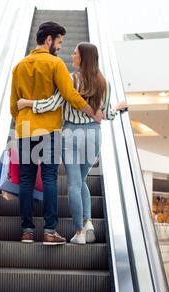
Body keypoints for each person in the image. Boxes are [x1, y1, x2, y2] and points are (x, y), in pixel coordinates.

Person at [17, 42, 128, 244]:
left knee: (74, 184)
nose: (72, 56)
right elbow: (106, 114)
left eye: (75, 54)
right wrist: (119, 107)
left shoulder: (70, 80)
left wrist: (28, 103)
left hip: (71, 134)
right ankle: (88, 222)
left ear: (83, 58)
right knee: (82, 181)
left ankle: (79, 232)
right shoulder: (105, 83)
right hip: (93, 135)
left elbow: (52, 103)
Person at [10, 22, 103, 245]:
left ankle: (27, 231)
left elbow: (13, 105)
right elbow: (70, 94)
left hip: (24, 129)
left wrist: (22, 120)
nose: (60, 47)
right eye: (59, 42)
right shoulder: (55, 64)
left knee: (26, 180)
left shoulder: (19, 66)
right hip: (49, 130)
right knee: (50, 178)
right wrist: (91, 111)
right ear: (49, 40)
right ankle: (50, 231)